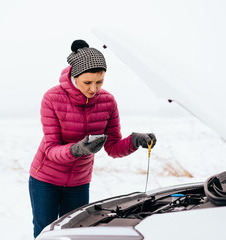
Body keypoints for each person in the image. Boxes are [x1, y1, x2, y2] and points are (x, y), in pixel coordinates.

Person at [29, 39, 156, 238]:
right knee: (45, 232)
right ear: (74, 76)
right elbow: (51, 148)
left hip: (79, 182)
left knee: (76, 234)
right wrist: (76, 150)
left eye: (99, 82)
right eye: (87, 82)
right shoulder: (52, 98)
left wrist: (134, 141)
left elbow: (113, 147)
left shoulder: (107, 101)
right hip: (45, 179)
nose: (93, 88)